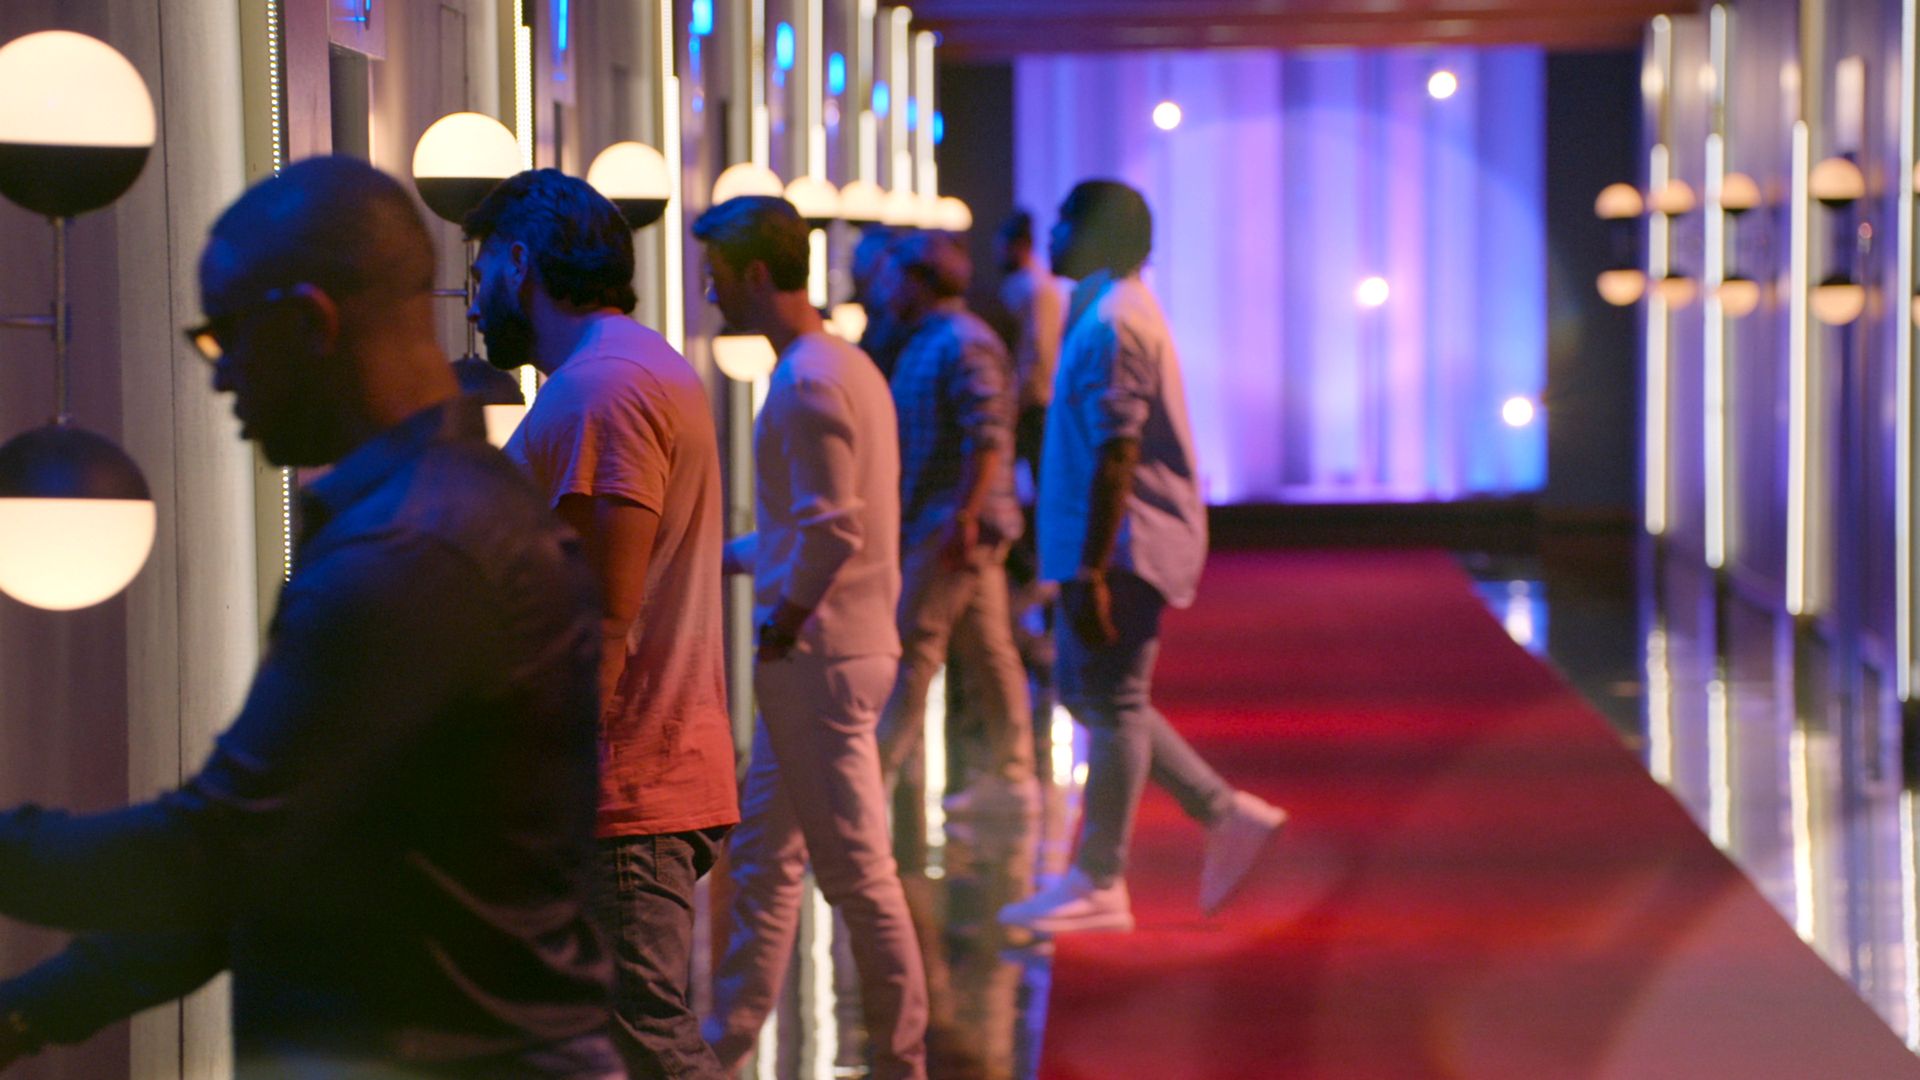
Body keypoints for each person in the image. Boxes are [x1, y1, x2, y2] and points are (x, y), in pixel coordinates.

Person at [0, 157, 618, 1075]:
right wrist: (30, 1013)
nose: (221, 383)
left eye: (225, 340)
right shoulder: (438, 513)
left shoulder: (410, 550)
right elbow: (290, 857)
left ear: (308, 323)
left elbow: (221, 850)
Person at [465, 169, 740, 1080]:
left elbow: (602, 618)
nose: (473, 296)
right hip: (638, 778)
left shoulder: (601, 391)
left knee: (646, 1047)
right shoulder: (635, 367)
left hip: (623, 788)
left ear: (519, 261)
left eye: (479, 269)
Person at [998, 180, 1286, 936]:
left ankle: (1102, 878)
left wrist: (1091, 568)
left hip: (1123, 545)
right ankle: (1222, 814)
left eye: (1064, 221)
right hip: (1106, 543)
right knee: (1088, 690)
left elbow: (1118, 454)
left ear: (1094, 236)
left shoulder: (1113, 321)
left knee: (1113, 699)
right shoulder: (1104, 309)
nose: (1050, 233)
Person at [692, 196, 928, 1080]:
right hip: (834, 650)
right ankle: (726, 1043)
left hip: (819, 657)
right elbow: (814, 530)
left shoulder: (805, 380)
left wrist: (782, 623)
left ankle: (901, 1061)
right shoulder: (843, 366)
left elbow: (833, 532)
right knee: (764, 858)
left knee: (855, 875)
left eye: (716, 276)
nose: (710, 295)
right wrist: (725, 561)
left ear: (756, 274)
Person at [873, 231, 1037, 819]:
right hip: (951, 520)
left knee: (912, 646)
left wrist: (964, 514)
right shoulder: (931, 340)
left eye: (892, 275)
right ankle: (1013, 775)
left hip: (954, 524)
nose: (882, 287)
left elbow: (988, 433)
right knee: (989, 649)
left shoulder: (962, 341)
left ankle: (873, 782)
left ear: (918, 278)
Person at [995, 210, 1064, 488]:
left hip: (1033, 401)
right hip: (1022, 397)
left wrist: (1019, 399)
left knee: (1041, 481)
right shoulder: (1019, 285)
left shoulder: (1037, 288)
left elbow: (1038, 350)